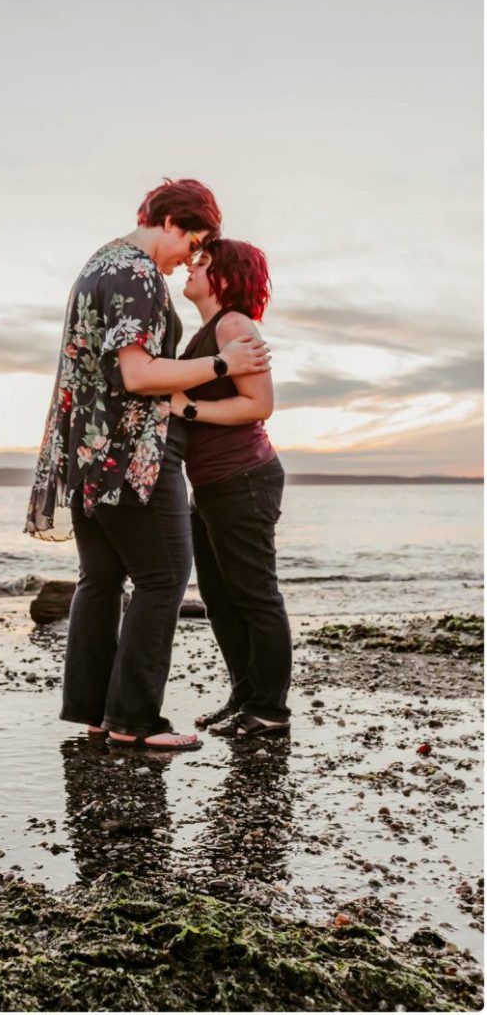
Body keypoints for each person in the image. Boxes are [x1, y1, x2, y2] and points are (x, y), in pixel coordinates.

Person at [26, 179, 270, 752]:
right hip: (134, 451)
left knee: (102, 580)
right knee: (162, 579)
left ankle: (96, 713)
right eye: (195, 242)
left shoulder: (98, 264)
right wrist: (221, 363)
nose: (191, 256)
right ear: (173, 223)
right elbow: (138, 375)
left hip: (88, 450)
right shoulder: (136, 273)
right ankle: (136, 721)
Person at [172, 238, 292, 738]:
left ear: (224, 275)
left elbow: (259, 404)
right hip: (213, 483)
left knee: (254, 594)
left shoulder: (234, 324)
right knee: (220, 598)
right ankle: (245, 697)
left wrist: (187, 408)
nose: (191, 267)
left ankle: (270, 711)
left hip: (243, 477)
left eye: (202, 262)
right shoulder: (209, 330)